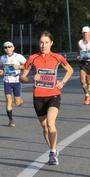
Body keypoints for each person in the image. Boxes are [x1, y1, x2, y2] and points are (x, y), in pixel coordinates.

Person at [20, 31, 74, 165]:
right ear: (38, 43)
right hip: (38, 96)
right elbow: (22, 78)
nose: (43, 45)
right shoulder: (32, 58)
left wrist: (62, 82)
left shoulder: (57, 57)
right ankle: (53, 149)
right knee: (45, 128)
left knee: (51, 123)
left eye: (46, 42)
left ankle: (52, 152)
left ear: (51, 43)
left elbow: (70, 70)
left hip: (53, 95)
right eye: (41, 42)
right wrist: (33, 78)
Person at [0, 41, 26, 127]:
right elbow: (0, 65)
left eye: (9, 47)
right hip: (7, 81)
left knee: (17, 103)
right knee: (8, 100)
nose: (8, 49)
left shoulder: (18, 56)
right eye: (5, 47)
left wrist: (19, 67)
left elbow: (27, 65)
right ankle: (11, 120)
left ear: (13, 48)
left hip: (16, 81)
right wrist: (1, 70)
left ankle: (20, 101)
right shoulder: (2, 58)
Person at [76, 26, 90, 105]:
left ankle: (89, 93)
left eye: (87, 33)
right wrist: (78, 56)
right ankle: (87, 95)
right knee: (82, 80)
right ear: (82, 34)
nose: (85, 34)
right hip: (83, 63)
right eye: (84, 33)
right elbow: (78, 53)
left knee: (89, 81)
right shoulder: (79, 42)